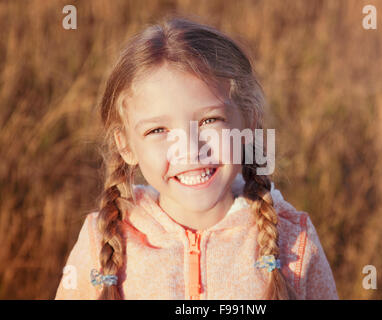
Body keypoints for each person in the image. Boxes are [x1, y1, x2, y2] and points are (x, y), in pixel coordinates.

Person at [54, 16, 338, 300]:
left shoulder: (293, 241)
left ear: (248, 125)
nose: (189, 149)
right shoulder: (100, 242)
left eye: (209, 120)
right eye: (158, 129)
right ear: (126, 145)